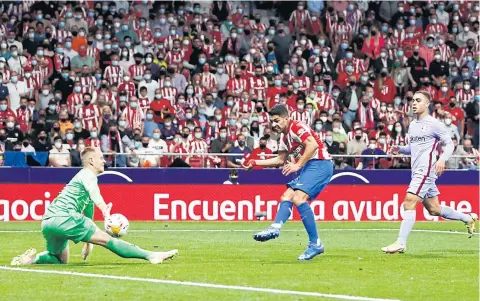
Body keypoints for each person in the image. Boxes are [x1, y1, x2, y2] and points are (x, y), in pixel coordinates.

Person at [11, 147, 178, 265]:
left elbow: (88, 212)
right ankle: (151, 255)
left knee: (60, 259)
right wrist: (104, 209)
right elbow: (94, 193)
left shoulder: (81, 178)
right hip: (66, 217)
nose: (104, 161)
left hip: (48, 222)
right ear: (91, 161)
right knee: (109, 241)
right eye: (101, 158)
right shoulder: (88, 175)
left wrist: (88, 242)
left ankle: (31, 260)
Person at [382, 91, 478, 254]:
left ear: (427, 104)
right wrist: (400, 149)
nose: (414, 103)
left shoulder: (434, 123)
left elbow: (449, 145)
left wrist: (442, 160)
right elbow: (413, 149)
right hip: (417, 170)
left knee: (409, 202)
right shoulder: (412, 125)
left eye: (418, 100)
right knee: (434, 209)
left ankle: (401, 243)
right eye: (413, 101)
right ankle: (468, 218)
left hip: (426, 170)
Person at [243, 105, 333, 261]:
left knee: (298, 198)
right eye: (272, 121)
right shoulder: (285, 138)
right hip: (311, 166)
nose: (274, 124)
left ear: (286, 118)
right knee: (286, 196)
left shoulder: (297, 126)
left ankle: (315, 244)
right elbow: (280, 160)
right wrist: (255, 162)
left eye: (277, 120)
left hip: (321, 163)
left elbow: (313, 145)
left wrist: (297, 165)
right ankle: (275, 227)